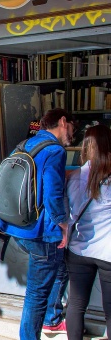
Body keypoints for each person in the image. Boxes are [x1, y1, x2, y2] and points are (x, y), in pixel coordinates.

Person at [0, 108, 75, 340]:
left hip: (17, 227)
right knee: (37, 293)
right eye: (73, 126)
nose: (74, 133)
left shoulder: (24, 146)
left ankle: (52, 321)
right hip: (43, 233)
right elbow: (52, 192)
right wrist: (63, 224)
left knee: (60, 268)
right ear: (63, 122)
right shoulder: (55, 150)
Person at [65, 124, 111, 339]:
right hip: (107, 253)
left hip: (79, 250)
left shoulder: (74, 177)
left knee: (75, 304)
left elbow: (69, 211)